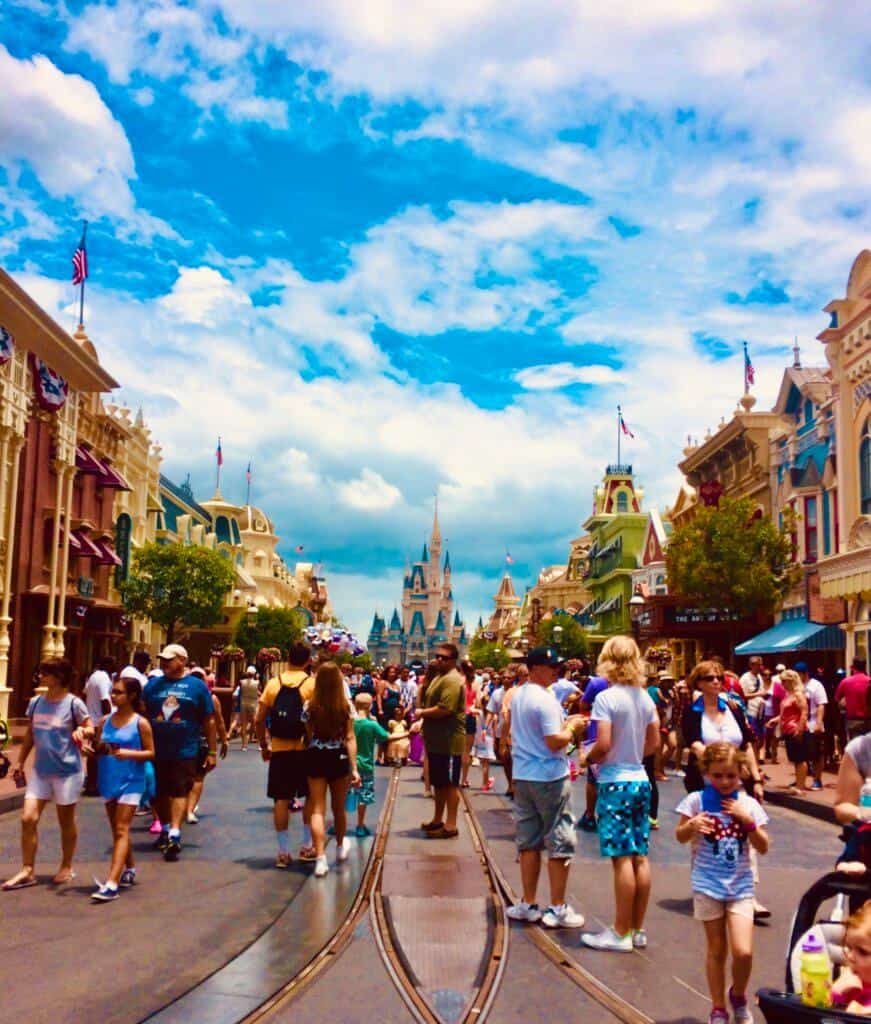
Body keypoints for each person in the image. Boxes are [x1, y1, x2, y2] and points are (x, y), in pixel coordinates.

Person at [675, 742, 770, 1024]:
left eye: (731, 776)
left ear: (740, 774)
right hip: (707, 883)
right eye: (718, 776)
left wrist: (747, 822)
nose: (725, 782)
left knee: (743, 951)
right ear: (707, 774)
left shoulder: (748, 804)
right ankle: (718, 1008)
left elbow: (763, 846)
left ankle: (738, 994)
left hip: (740, 885)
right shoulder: (696, 801)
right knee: (716, 950)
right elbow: (680, 835)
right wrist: (691, 826)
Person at [580, 636, 659, 952]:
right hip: (640, 779)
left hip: (615, 782)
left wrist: (588, 756)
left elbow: (603, 743)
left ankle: (620, 931)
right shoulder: (644, 698)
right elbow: (655, 743)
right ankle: (637, 928)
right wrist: (635, 755)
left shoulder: (607, 699)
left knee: (621, 858)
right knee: (640, 855)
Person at [505, 646, 586, 928]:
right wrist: (573, 728)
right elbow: (554, 740)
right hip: (549, 776)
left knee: (528, 841)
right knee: (559, 839)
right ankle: (557, 908)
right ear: (535, 668)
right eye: (552, 667)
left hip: (524, 775)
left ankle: (527, 903)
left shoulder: (519, 696)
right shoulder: (545, 699)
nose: (557, 671)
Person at [3, 658, 94, 890]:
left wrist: (82, 731)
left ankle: (66, 865)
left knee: (65, 821)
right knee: (28, 818)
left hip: (67, 772)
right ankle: (27, 869)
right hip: (41, 772)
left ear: (59, 677)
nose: (40, 677)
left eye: (45, 673)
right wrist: (20, 762)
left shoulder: (73, 704)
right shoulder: (35, 703)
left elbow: (90, 727)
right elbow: (31, 734)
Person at [142, 644, 216, 862]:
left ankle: (174, 832)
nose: (165, 663)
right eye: (163, 660)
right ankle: (165, 827)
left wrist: (211, 750)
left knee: (179, 789)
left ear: (182, 661)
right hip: (156, 748)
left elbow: (209, 719)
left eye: (170, 659)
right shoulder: (153, 686)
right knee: (157, 792)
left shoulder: (196, 687)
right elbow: (142, 712)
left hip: (185, 748)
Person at [90, 674, 155, 902]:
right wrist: (90, 750)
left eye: (118, 692)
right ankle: (130, 868)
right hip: (109, 779)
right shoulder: (104, 721)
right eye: (113, 691)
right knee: (117, 829)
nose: (113, 696)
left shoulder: (140, 723)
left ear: (132, 696)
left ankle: (111, 883)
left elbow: (151, 753)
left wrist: (129, 753)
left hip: (132, 780)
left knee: (121, 829)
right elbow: (99, 748)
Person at [256, 642, 315, 867]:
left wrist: (264, 744)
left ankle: (282, 851)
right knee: (310, 796)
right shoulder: (311, 684)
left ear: (288, 658)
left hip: (280, 750)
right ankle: (307, 845)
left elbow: (259, 719)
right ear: (308, 660)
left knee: (281, 799)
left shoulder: (273, 683)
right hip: (305, 749)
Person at [305, 661, 360, 877]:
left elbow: (308, 734)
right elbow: (350, 737)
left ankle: (320, 858)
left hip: (316, 756)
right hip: (338, 757)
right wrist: (354, 767)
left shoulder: (309, 705)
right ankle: (339, 846)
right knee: (339, 807)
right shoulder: (346, 706)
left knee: (318, 809)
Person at [418, 642, 466, 839]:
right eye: (437, 656)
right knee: (439, 783)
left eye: (444, 658)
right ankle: (438, 819)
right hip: (437, 740)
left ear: (454, 660)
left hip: (449, 741)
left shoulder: (453, 680)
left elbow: (445, 709)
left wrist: (421, 713)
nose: (439, 660)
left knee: (450, 784)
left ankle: (451, 824)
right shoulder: (440, 676)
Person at [353, 693, 409, 835]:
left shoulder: (350, 722)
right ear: (370, 706)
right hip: (365, 765)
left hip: (349, 764)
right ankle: (360, 825)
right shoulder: (371, 725)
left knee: (344, 794)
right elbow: (387, 737)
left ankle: (337, 824)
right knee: (363, 795)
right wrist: (407, 733)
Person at [185, 667, 229, 824]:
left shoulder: (183, 695)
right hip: (202, 741)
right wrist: (224, 740)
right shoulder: (211, 698)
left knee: (186, 776)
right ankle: (189, 810)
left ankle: (184, 808)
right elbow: (219, 721)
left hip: (185, 740)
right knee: (198, 777)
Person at [767, 669, 808, 794]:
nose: (782, 684)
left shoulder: (798, 694)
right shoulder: (788, 695)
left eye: (784, 681)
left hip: (795, 728)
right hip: (788, 729)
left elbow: (804, 712)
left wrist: (800, 729)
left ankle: (801, 787)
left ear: (791, 681)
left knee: (800, 759)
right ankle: (798, 783)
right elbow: (785, 714)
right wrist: (775, 720)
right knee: (795, 758)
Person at [576, 673, 609, 832]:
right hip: (625, 740)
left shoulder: (597, 684)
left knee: (593, 779)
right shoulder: (635, 688)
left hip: (598, 735)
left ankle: (590, 815)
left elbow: (583, 705)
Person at [832, 901, 871, 1013]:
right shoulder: (849, 987)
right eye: (849, 948)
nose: (850, 956)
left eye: (862, 952)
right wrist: (836, 993)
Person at [83, 656, 115, 796]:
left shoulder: (93, 677)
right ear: (106, 665)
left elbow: (84, 693)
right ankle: (94, 784)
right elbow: (105, 700)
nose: (114, 668)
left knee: (95, 753)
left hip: (93, 719)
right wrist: (108, 719)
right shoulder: (103, 677)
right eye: (112, 665)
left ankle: (92, 783)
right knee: (99, 753)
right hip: (99, 722)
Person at [795, 661, 828, 790]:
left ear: (805, 674)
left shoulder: (816, 686)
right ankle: (800, 778)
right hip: (801, 725)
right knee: (800, 754)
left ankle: (817, 779)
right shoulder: (796, 687)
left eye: (799, 674)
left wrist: (819, 723)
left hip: (813, 723)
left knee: (816, 754)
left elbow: (821, 704)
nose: (797, 677)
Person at [838, 658, 871, 739]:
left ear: (852, 668)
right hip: (869, 719)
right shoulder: (869, 681)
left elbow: (838, 699)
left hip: (853, 721)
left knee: (855, 747)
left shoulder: (845, 682)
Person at [460, 659, 480, 788]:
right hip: (470, 716)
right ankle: (464, 779)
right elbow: (477, 703)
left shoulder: (458, 682)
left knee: (456, 750)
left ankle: (455, 777)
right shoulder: (476, 684)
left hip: (459, 717)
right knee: (467, 751)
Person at [238, 666, 260, 751]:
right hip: (253, 704)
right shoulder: (257, 682)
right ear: (254, 674)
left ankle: (244, 745)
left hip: (244, 703)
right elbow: (259, 690)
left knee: (244, 725)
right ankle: (259, 745)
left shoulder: (241, 682)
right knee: (255, 724)